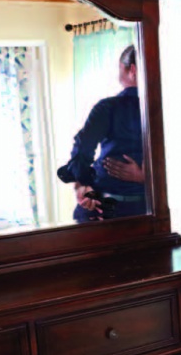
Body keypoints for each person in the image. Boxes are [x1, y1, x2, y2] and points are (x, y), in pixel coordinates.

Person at [58, 44, 146, 222]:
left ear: (132, 70)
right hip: (145, 208)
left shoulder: (108, 107)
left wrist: (83, 183)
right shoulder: (166, 107)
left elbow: (83, 148)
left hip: (105, 208)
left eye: (119, 68)